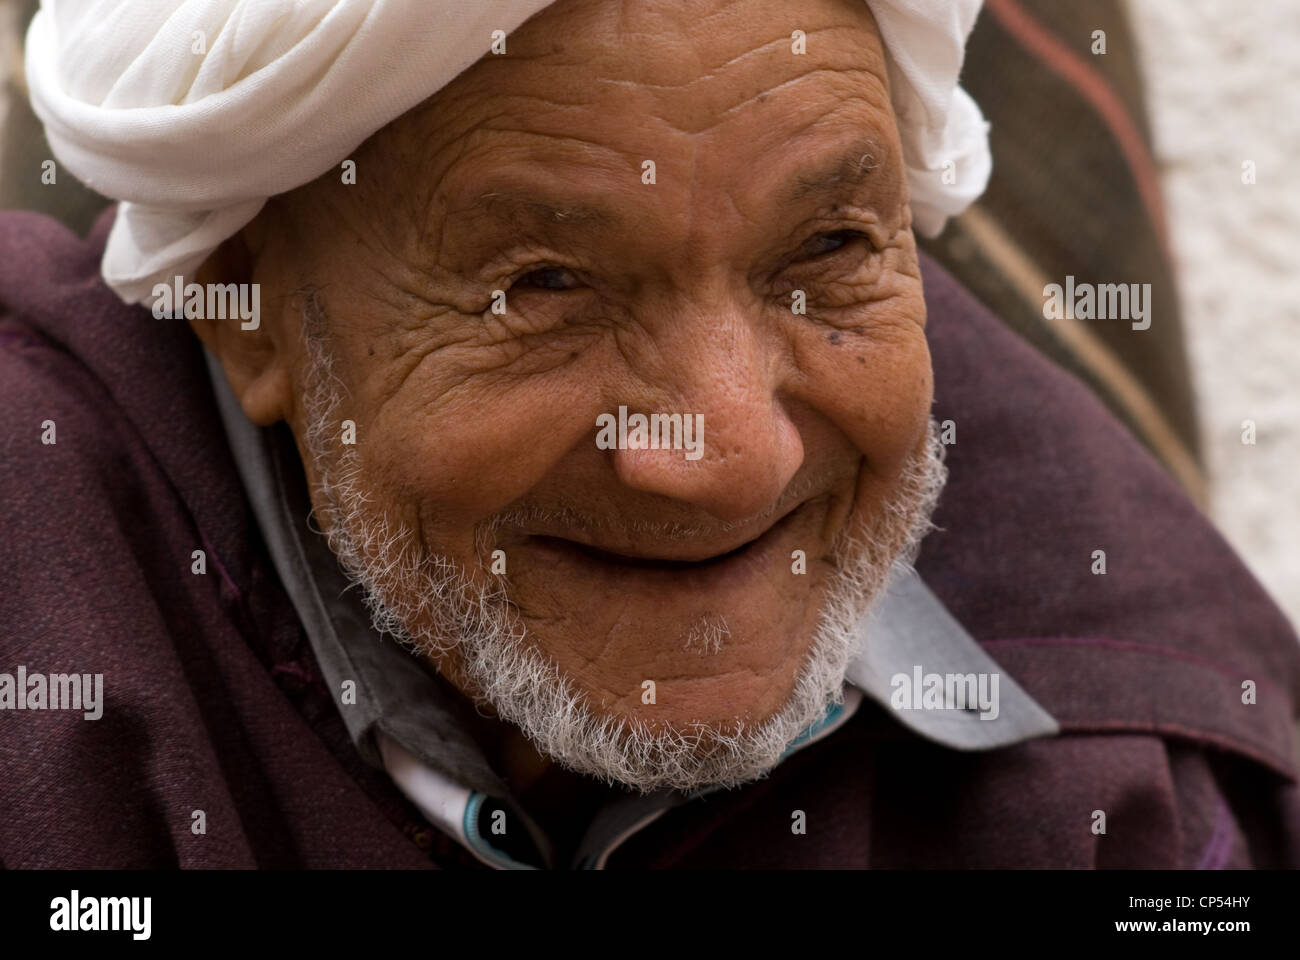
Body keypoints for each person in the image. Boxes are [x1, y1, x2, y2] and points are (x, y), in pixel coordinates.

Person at [1, 0, 1295, 869]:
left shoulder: (1137, 780)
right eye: (548, 287)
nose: (734, 455)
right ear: (246, 305)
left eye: (828, 250)